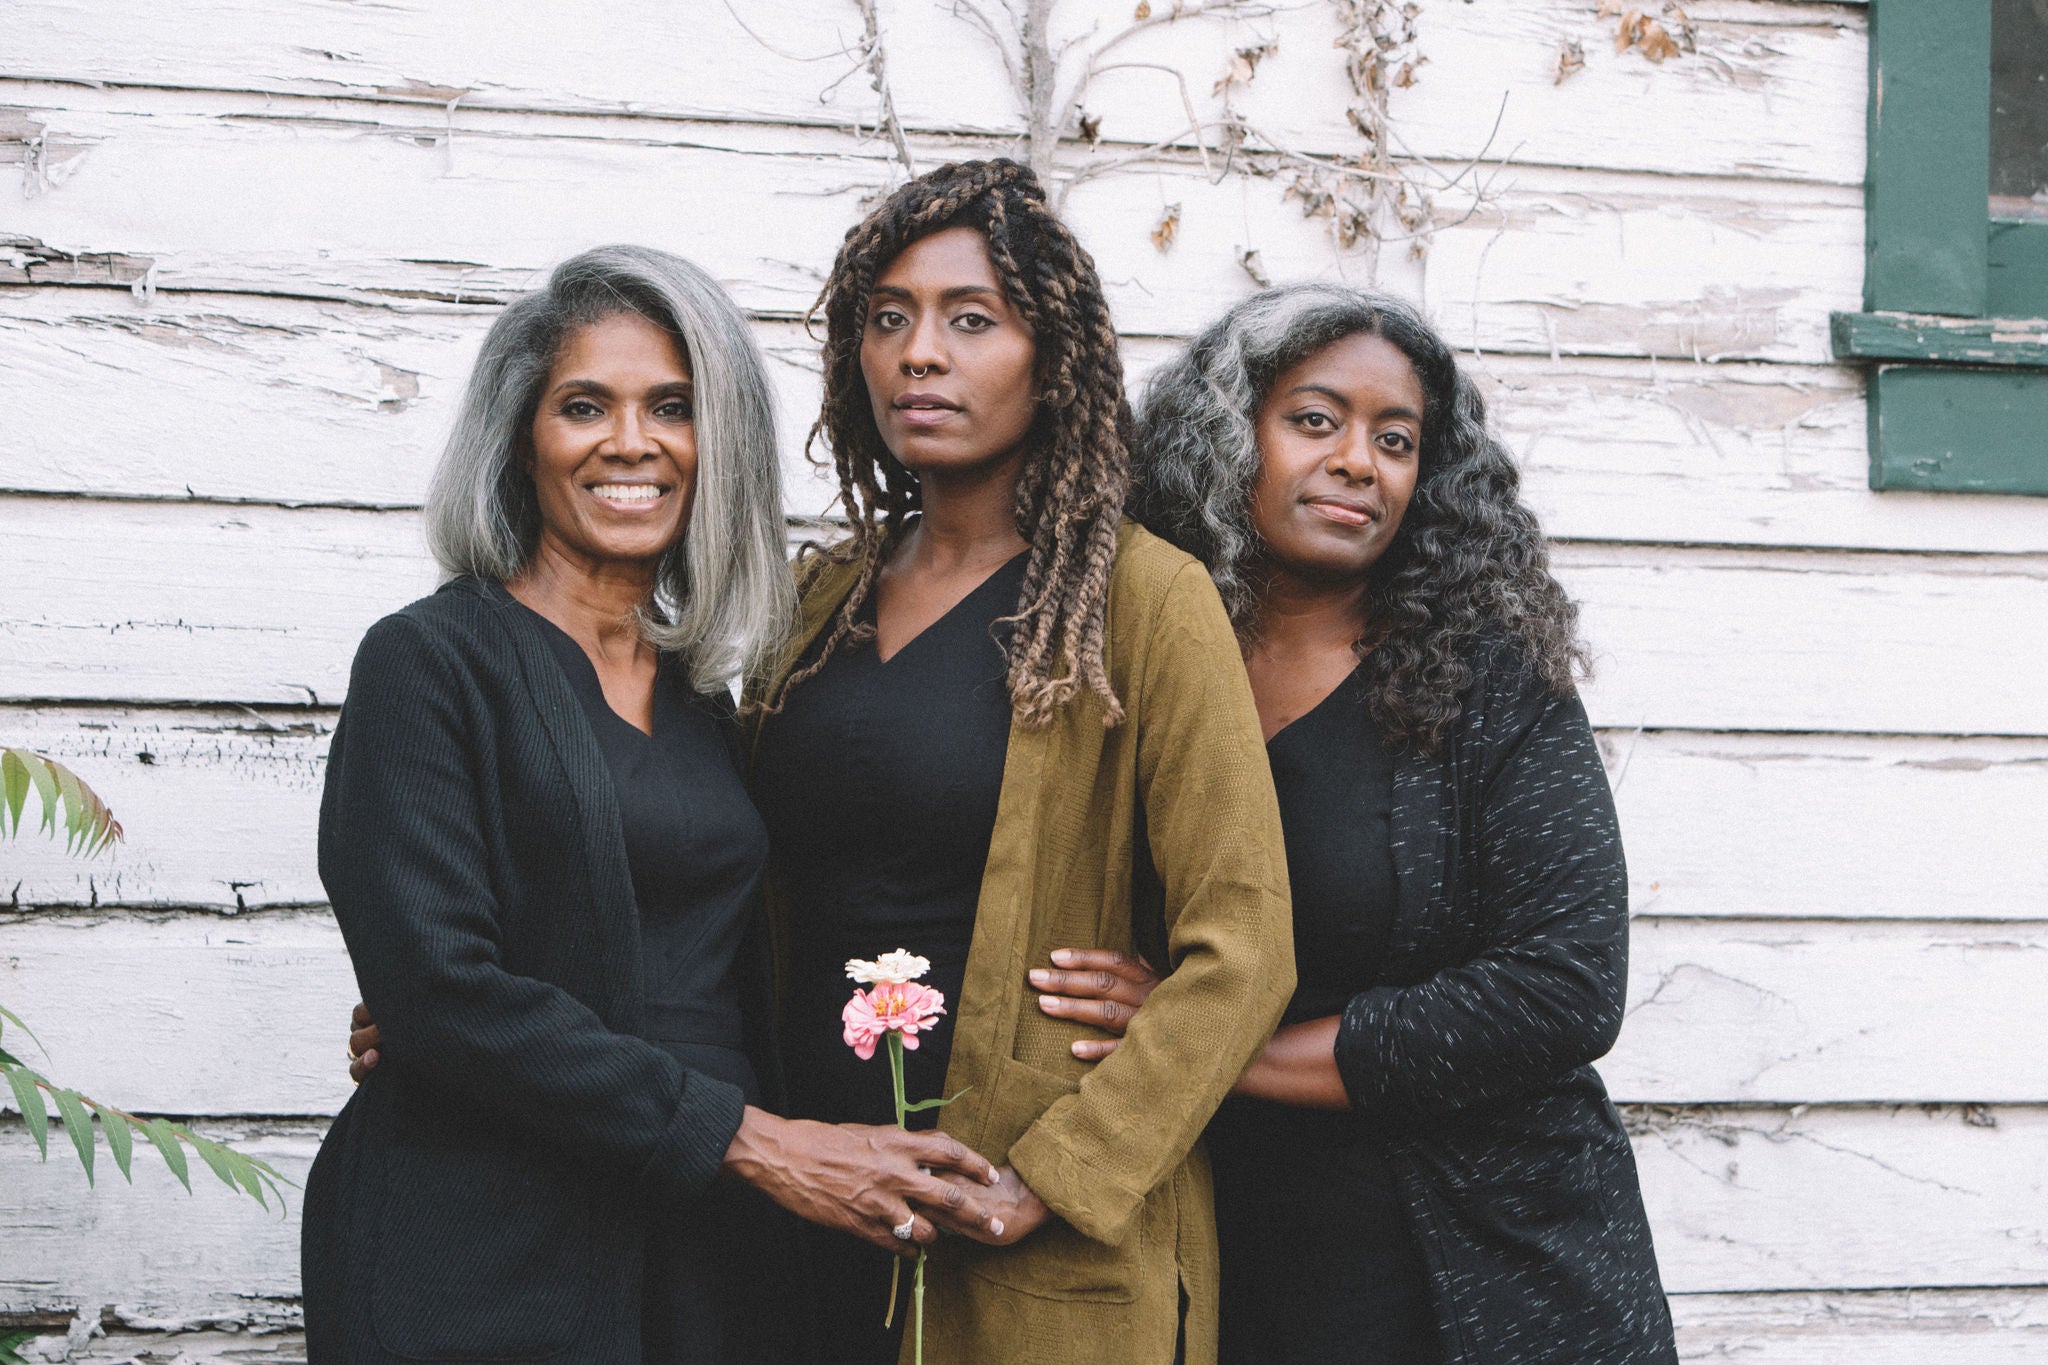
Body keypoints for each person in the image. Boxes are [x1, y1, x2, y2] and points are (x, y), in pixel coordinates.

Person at [309, 244, 1002, 1365]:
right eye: (585, 405)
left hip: (704, 1251)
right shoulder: (430, 663)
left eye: (670, 407)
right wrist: (759, 1143)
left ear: (712, 440)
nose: (630, 442)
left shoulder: (713, 711)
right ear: (521, 437)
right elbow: (439, 990)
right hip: (482, 1244)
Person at [1032, 285, 1680, 1365]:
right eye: (1312, 420)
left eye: (1394, 440)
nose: (1355, 462)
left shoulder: (1484, 681)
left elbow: (1561, 989)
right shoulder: (1123, 662)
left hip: (1467, 1260)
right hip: (1205, 1233)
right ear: (1223, 437)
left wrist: (1200, 1049)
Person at [746, 158, 1296, 1365]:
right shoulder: (811, 602)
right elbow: (710, 870)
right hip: (805, 1210)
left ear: (1050, 363)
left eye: (970, 319)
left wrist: (1049, 1177)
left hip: (1021, 1241)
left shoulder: (1141, 604)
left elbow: (1243, 948)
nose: (917, 354)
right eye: (886, 320)